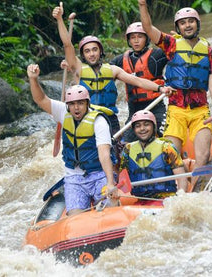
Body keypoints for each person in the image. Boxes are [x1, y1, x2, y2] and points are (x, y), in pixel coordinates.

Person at [138, 1, 212, 187]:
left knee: (202, 156)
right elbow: (148, 28)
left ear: (197, 24)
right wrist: (142, 5)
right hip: (176, 110)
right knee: (173, 155)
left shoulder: (208, 51)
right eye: (183, 22)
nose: (187, 25)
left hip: (200, 110)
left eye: (191, 21)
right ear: (178, 27)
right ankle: (179, 191)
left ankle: (193, 192)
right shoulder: (171, 44)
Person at [52, 2, 175, 136]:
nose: (92, 54)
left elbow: (138, 81)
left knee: (121, 150)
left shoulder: (113, 69)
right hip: (89, 118)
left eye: (95, 50)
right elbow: (67, 44)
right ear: (83, 55)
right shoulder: (79, 68)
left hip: (112, 118)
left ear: (100, 52)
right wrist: (59, 19)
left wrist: (160, 88)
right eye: (87, 51)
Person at [27, 63, 119, 215]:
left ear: (87, 104)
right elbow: (40, 99)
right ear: (68, 105)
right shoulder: (63, 112)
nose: (76, 108)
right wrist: (33, 80)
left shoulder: (98, 121)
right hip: (74, 177)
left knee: (109, 211)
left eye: (80, 103)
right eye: (72, 104)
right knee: (75, 217)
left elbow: (104, 153)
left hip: (98, 174)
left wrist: (110, 182)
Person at [110, 22, 168, 141]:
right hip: (134, 110)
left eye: (140, 37)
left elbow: (175, 54)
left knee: (165, 138)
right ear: (129, 41)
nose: (136, 41)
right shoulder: (120, 60)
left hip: (156, 106)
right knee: (123, 144)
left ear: (146, 38)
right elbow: (101, 70)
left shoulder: (157, 55)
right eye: (132, 37)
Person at [119, 110, 188, 198]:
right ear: (134, 129)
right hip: (140, 199)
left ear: (154, 127)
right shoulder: (128, 149)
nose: (142, 128)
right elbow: (122, 180)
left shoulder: (167, 147)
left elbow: (181, 177)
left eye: (146, 124)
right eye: (138, 126)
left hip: (164, 199)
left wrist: (181, 198)